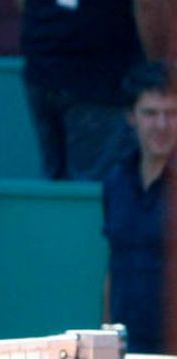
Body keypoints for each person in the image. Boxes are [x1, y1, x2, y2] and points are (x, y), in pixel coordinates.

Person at [3, 0, 170, 181]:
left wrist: (46, 25)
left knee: (54, 185)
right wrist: (159, 63)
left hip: (43, 64)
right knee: (103, 187)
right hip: (104, 71)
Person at [103, 61, 177, 354]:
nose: (162, 125)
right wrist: (105, 337)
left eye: (172, 113)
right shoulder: (116, 181)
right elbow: (113, 264)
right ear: (131, 117)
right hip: (125, 344)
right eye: (150, 113)